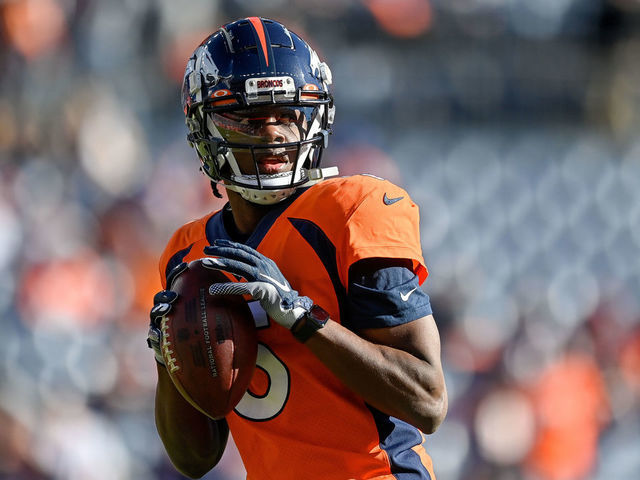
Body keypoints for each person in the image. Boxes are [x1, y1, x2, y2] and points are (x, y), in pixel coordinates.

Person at [147, 16, 448, 480]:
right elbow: (194, 460)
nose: (274, 134)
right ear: (204, 126)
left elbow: (427, 400)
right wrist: (168, 360)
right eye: (249, 118)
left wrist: (303, 317)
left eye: (288, 114)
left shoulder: (352, 210)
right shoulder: (188, 253)